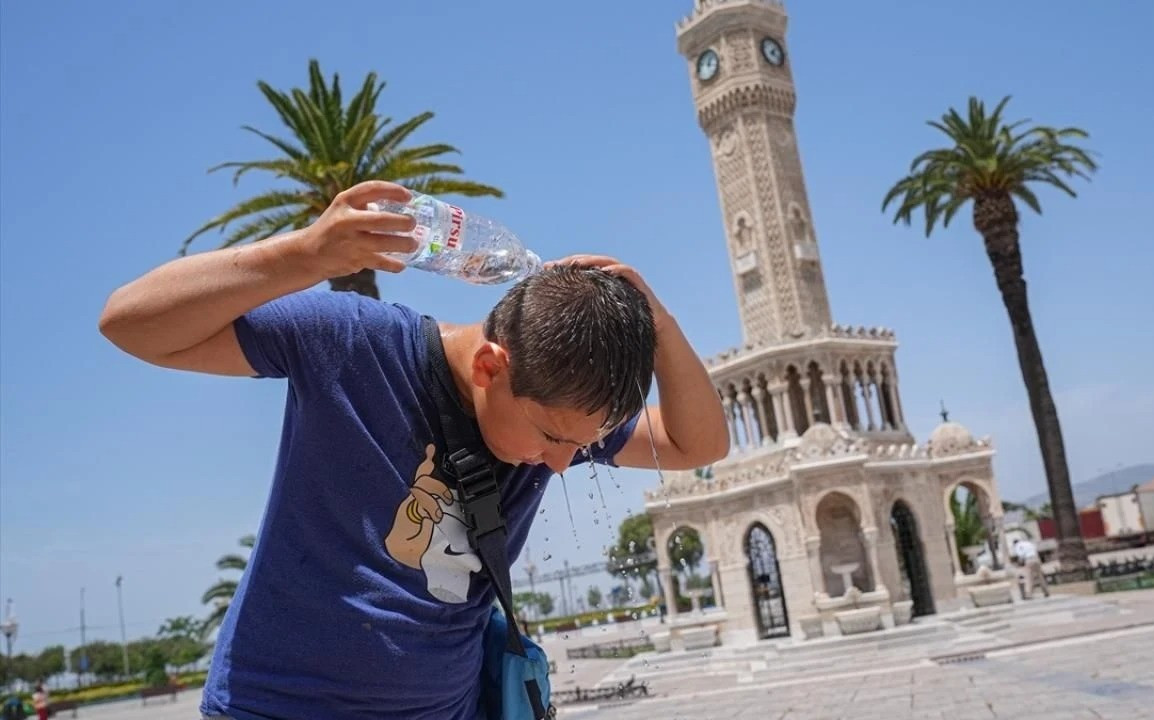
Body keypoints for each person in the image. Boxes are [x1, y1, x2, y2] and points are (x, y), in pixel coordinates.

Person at [99, 181, 729, 720]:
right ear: (490, 367)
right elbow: (129, 322)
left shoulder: (560, 410)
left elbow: (697, 443)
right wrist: (304, 254)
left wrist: (659, 324)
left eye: (580, 445)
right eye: (553, 439)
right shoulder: (355, 344)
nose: (563, 463)